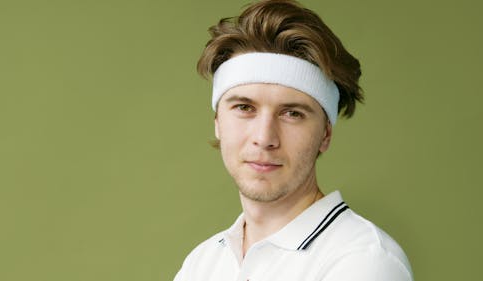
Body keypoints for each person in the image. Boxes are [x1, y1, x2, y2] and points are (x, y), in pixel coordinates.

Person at [174, 0, 413, 280]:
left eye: (292, 113)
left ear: (325, 133)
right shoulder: (203, 263)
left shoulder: (365, 261)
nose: (264, 138)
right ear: (217, 122)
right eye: (244, 108)